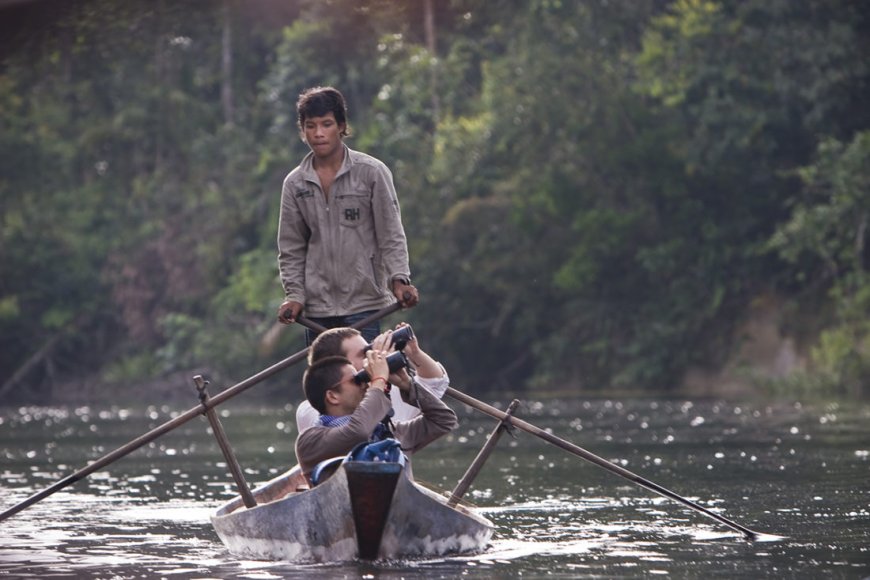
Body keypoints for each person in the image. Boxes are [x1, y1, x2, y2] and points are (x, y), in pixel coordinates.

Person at [275, 86, 419, 344]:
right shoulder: (295, 184)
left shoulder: (371, 173)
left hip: (363, 302)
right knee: (325, 381)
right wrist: (294, 296)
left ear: (341, 126)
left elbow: (391, 234)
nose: (318, 133)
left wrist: (399, 280)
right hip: (317, 309)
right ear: (302, 130)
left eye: (326, 124)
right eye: (311, 126)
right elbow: (291, 247)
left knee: (362, 378)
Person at [295, 344, 457, 477]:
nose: (365, 384)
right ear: (333, 396)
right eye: (356, 380)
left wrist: (407, 384)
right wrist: (378, 380)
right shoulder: (310, 441)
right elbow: (357, 432)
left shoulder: (389, 433)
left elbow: (444, 420)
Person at [295, 324, 449, 433]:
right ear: (337, 365)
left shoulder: (387, 392)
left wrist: (414, 354)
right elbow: (358, 429)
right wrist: (379, 379)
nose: (372, 355)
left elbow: (435, 384)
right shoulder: (310, 411)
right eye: (364, 354)